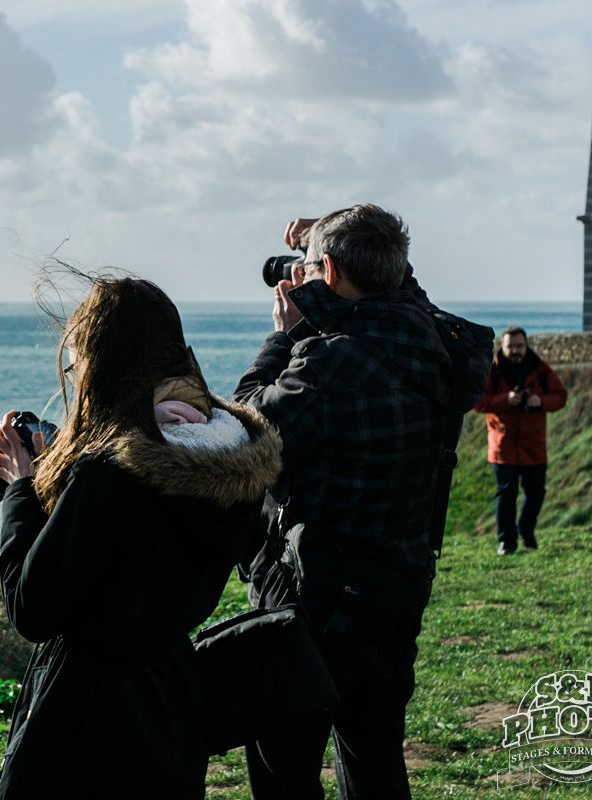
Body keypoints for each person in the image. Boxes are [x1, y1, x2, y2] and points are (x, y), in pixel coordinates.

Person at [0, 275, 282, 799]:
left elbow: (31, 607)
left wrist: (22, 487)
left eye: (78, 362)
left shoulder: (107, 476)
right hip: (171, 699)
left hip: (82, 717)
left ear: (102, 364)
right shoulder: (222, 459)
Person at [233, 205, 493, 799]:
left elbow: (245, 431)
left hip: (315, 590)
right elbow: (396, 283)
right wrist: (335, 252)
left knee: (283, 765)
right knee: (374, 758)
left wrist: (285, 336)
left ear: (327, 268)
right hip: (398, 583)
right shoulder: (434, 340)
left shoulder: (330, 360)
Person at [473, 326, 567, 554]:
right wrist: (506, 399)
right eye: (510, 346)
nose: (515, 350)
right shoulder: (492, 371)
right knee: (506, 494)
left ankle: (526, 530)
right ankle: (507, 541)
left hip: (533, 445)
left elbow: (561, 396)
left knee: (536, 493)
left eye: (519, 346)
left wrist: (539, 401)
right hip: (503, 445)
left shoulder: (540, 369)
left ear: (526, 346)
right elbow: (478, 402)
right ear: (502, 347)